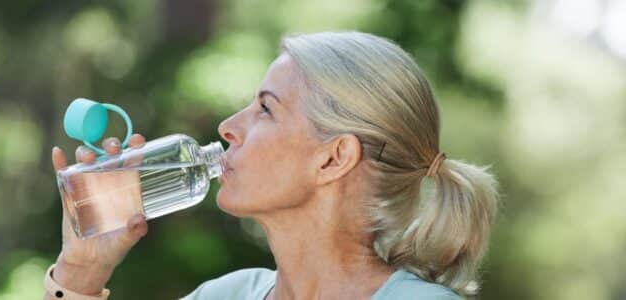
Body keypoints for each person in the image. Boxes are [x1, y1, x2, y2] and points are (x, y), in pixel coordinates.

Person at [44, 31, 499, 300]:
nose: (227, 127)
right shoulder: (224, 295)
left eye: (265, 108)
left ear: (333, 158)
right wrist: (81, 271)